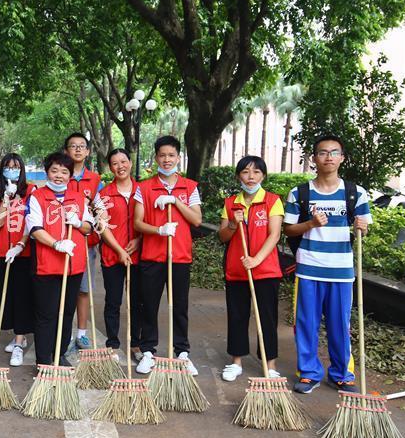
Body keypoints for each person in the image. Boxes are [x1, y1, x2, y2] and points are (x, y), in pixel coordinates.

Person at [284, 135, 371, 394]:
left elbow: (363, 229)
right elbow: (289, 229)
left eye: (334, 152)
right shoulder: (299, 193)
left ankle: (341, 374)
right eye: (323, 153)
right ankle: (309, 373)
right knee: (307, 323)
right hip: (308, 268)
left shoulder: (355, 193)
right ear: (314, 158)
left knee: (339, 324)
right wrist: (310, 223)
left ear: (342, 158)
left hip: (342, 271)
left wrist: (361, 228)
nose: (328, 157)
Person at [133, 135, 202, 375]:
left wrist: (175, 201)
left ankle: (182, 351)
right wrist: (159, 230)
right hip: (152, 256)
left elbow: (196, 219)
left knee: (179, 306)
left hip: (180, 256)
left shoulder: (190, 186)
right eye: (162, 155)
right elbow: (138, 223)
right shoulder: (144, 187)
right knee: (149, 305)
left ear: (178, 158)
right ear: (156, 158)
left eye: (171, 155)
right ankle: (148, 350)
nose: (166, 159)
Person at [217, 156, 284, 381]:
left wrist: (256, 260)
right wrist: (234, 224)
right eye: (246, 172)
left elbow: (274, 235)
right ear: (239, 176)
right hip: (236, 269)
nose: (251, 177)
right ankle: (236, 361)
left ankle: (270, 364)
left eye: (256, 172)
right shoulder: (230, 203)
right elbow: (223, 236)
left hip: (265, 270)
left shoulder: (272, 201)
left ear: (263, 176)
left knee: (267, 317)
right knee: (237, 315)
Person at [27, 152, 93, 366]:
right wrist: (56, 244)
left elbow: (88, 228)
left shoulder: (79, 198)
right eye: (54, 170)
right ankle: (44, 359)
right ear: (47, 172)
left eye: (64, 171)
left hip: (73, 266)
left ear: (70, 175)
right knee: (46, 314)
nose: (59, 175)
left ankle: (60, 353)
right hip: (47, 266)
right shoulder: (37, 197)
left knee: (66, 314)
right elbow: (35, 229)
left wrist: (77, 223)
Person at [0, 153, 35, 366]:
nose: (12, 170)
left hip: (23, 252)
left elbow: (32, 222)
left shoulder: (31, 192)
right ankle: (21, 336)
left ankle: (18, 343)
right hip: (3, 253)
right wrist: (6, 199)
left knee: (23, 296)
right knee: (7, 295)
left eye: (16, 166)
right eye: (7, 166)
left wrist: (21, 245)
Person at [94, 149, 139, 357]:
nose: (120, 166)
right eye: (114, 163)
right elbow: (102, 227)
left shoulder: (142, 190)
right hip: (112, 256)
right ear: (110, 167)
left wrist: (139, 241)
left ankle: (137, 344)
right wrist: (120, 250)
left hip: (139, 255)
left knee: (137, 301)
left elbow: (149, 222)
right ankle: (112, 343)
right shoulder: (103, 195)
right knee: (113, 301)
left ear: (130, 163)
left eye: (123, 161)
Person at [63, 132, 103, 350]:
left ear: (87, 151)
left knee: (84, 289)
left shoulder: (95, 179)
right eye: (73, 146)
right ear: (66, 151)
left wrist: (96, 210)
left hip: (86, 241)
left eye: (81, 146)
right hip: (62, 242)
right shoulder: (61, 175)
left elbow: (102, 210)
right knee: (65, 289)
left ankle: (82, 333)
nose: (77, 149)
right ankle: (65, 334)